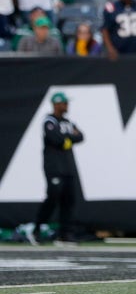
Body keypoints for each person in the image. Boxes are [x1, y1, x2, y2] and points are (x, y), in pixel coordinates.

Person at [31, 92, 84, 246]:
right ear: (56, 104)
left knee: (69, 200)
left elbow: (81, 136)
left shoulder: (67, 121)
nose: (67, 105)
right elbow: (55, 138)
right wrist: (68, 139)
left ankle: (64, 235)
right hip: (54, 167)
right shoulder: (49, 121)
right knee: (52, 197)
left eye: (67, 103)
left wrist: (66, 139)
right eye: (64, 103)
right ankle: (36, 230)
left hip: (68, 167)